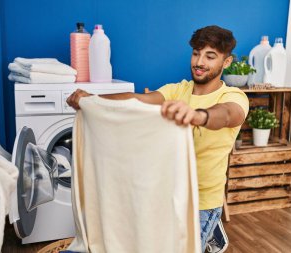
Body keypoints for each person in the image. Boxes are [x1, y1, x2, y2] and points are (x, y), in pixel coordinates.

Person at [67, 25, 249, 253]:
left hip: (202, 201)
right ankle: (212, 236)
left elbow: (227, 114)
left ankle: (211, 230)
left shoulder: (233, 96)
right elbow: (137, 99)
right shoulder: (178, 90)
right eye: (196, 53)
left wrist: (198, 115)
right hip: (167, 192)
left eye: (210, 56)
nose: (200, 62)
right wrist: (92, 98)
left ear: (227, 62)